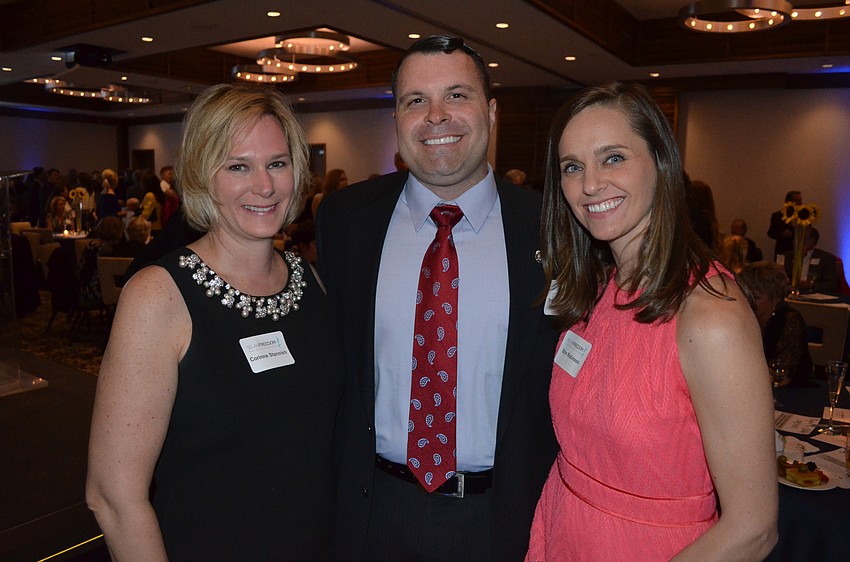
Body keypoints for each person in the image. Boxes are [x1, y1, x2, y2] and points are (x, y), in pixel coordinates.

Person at [316, 35, 558, 562]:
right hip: (371, 511)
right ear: (397, 118)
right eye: (415, 100)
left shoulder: (554, 230)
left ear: (490, 112)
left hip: (504, 519)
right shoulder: (346, 220)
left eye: (457, 95)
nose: (436, 116)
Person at [86, 82, 344, 561]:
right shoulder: (158, 295)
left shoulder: (309, 279)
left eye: (277, 164)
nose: (264, 186)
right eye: (238, 166)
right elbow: (112, 495)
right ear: (203, 175)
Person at [527, 81, 777, 561]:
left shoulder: (711, 317)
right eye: (572, 167)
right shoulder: (599, 290)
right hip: (563, 533)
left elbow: (753, 530)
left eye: (614, 157)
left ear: (661, 164)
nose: (591, 184)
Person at [739, 261, 815, 386]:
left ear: (776, 298)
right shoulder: (741, 317)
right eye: (746, 296)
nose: (749, 302)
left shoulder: (789, 321)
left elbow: (782, 374)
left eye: (756, 297)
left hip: (793, 393)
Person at [781, 226, 839, 294]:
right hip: (790, 293)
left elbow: (831, 284)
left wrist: (811, 286)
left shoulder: (825, 258)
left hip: (814, 294)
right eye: (796, 238)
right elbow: (781, 276)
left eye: (801, 238)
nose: (795, 241)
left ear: (812, 242)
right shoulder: (787, 256)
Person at [768, 190, 801, 259]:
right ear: (790, 202)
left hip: (799, 250)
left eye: (800, 200)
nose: (800, 203)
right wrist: (783, 233)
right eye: (798, 201)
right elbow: (771, 233)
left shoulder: (803, 217)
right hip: (783, 250)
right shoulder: (778, 216)